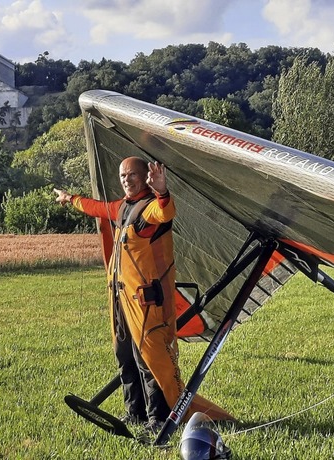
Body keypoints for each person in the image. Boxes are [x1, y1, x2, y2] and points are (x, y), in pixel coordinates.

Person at [54, 156, 234, 434]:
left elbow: (165, 212)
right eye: (122, 175)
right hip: (121, 302)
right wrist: (70, 198)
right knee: (125, 357)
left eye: (132, 175)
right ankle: (134, 413)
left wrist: (162, 191)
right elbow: (96, 208)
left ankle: (159, 418)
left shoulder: (149, 209)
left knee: (150, 361)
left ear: (144, 178)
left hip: (147, 303)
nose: (126, 179)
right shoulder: (121, 208)